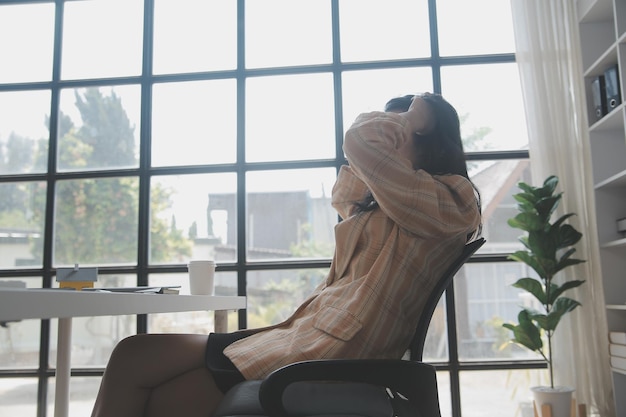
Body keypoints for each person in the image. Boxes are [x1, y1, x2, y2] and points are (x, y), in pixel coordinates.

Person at [90, 92, 482, 417]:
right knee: (133, 353)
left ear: (431, 141)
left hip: (331, 352)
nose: (391, 139)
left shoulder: (452, 201)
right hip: (302, 334)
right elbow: (346, 190)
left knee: (163, 400)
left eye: (403, 131)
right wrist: (401, 126)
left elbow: (362, 142)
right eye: (389, 129)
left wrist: (413, 114)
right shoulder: (389, 204)